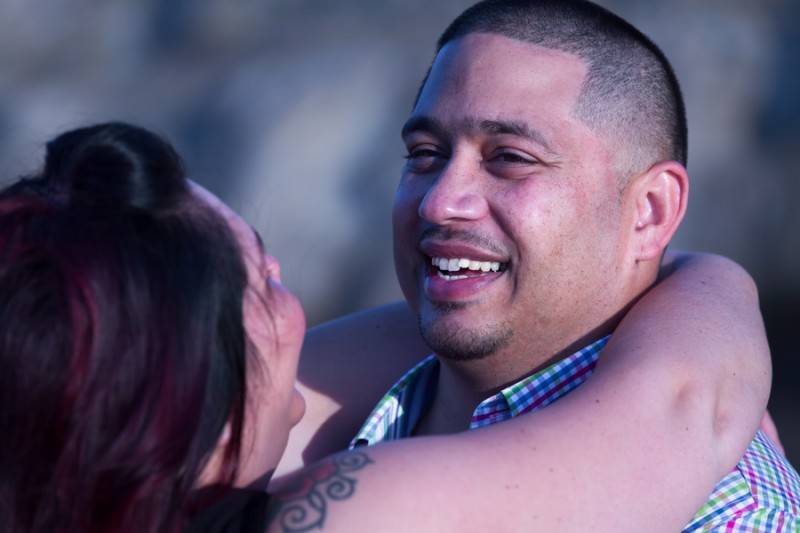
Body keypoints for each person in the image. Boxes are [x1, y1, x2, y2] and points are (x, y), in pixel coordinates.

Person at [0, 123, 791, 532]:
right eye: (265, 284)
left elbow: (483, 329)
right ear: (187, 388)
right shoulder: (344, 519)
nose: (295, 308)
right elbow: (692, 408)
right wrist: (700, 274)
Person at [272, 0, 800, 531]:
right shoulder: (313, 416)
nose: (440, 202)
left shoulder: (729, 517)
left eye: (510, 157)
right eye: (425, 153)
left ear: (650, 211)